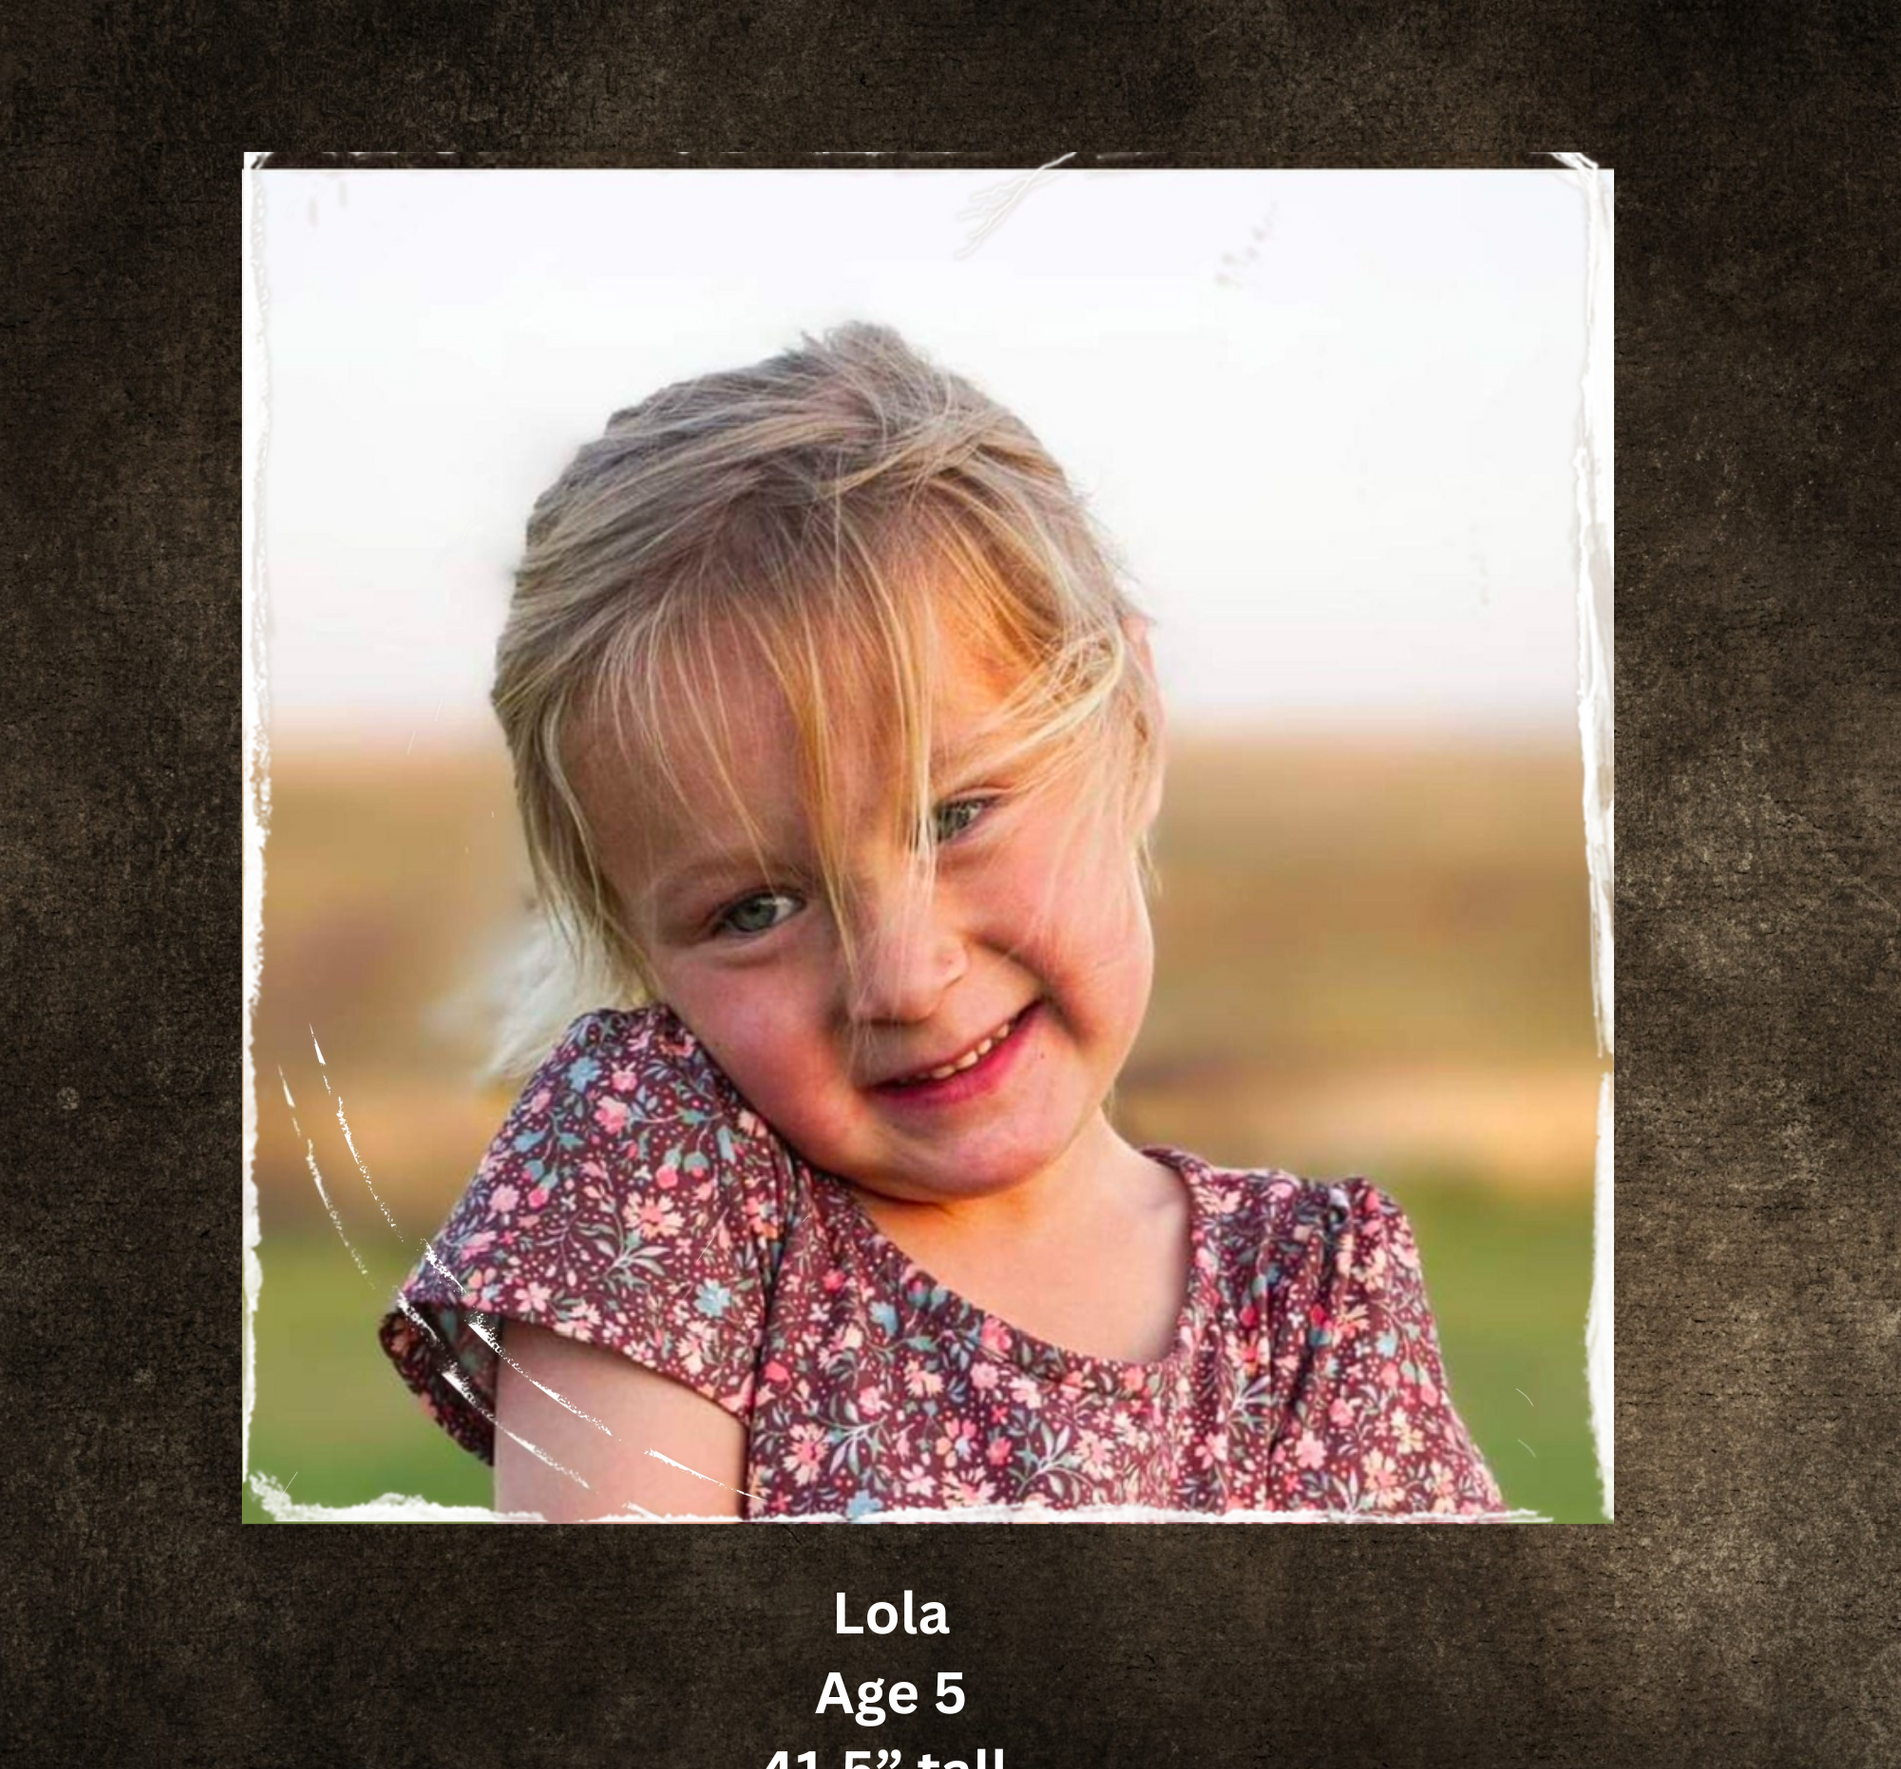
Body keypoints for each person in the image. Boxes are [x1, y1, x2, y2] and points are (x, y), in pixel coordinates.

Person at [379, 323, 1504, 1521]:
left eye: (954, 813)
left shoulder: (1309, 1297)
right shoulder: (660, 1165)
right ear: (633, 938)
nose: (901, 979)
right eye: (753, 908)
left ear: (1127, 722)